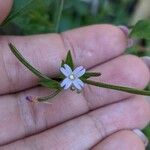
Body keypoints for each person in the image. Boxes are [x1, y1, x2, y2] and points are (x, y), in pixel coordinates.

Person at [0, 0, 150, 149]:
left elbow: (72, 80)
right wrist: (69, 80)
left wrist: (70, 79)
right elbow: (70, 80)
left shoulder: (72, 79)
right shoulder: (70, 79)